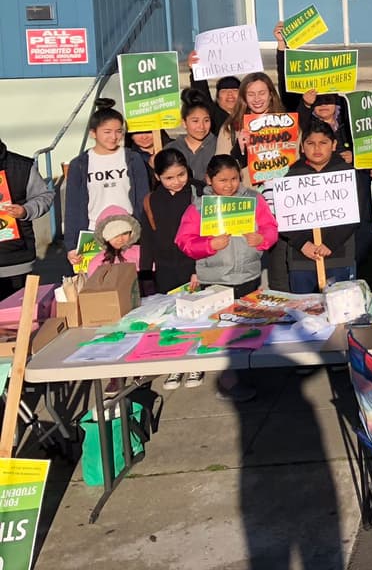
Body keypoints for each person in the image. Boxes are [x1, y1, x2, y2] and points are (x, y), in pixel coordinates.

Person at [176, 154, 278, 401]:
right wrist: (209, 245)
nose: (229, 185)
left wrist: (262, 239)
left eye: (234, 179)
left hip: (248, 275)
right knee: (222, 331)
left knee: (247, 327)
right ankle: (228, 382)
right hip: (215, 278)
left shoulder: (253, 199)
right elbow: (184, 241)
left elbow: (270, 227)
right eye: (222, 180)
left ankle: (247, 372)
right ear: (209, 179)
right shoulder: (199, 206)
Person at [278, 123, 358, 292]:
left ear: (334, 145)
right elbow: (283, 218)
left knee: (340, 305)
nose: (317, 148)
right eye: (310, 143)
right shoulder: (291, 176)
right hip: (301, 258)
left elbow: (355, 215)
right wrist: (302, 244)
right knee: (304, 306)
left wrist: (331, 243)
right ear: (302, 147)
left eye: (323, 143)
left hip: (338, 256)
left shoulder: (347, 174)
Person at [63, 98, 152, 241]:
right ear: (93, 133)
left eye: (118, 131)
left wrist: (145, 233)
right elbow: (72, 207)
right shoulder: (79, 164)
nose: (114, 137)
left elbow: (143, 198)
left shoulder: (133, 159)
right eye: (107, 132)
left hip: (128, 231)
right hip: (93, 233)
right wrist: (72, 243)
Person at [139, 149, 198, 299]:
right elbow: (147, 238)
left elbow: (208, 234)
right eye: (169, 178)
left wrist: (200, 270)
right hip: (164, 271)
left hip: (194, 268)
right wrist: (145, 274)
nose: (176, 182)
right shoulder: (151, 200)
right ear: (157, 176)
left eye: (181, 175)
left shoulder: (198, 193)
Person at [0, 135, 55, 296]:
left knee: (18, 309)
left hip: (16, 259)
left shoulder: (21, 167)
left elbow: (45, 196)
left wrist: (26, 210)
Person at [215, 71, 287, 168]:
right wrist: (239, 150)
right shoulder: (230, 128)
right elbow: (221, 168)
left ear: (270, 95)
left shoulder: (288, 123)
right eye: (251, 94)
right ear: (244, 97)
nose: (257, 99)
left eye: (262, 93)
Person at [164, 90, 217, 184]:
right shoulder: (171, 149)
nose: (201, 126)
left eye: (206, 120)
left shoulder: (219, 146)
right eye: (195, 121)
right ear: (184, 123)